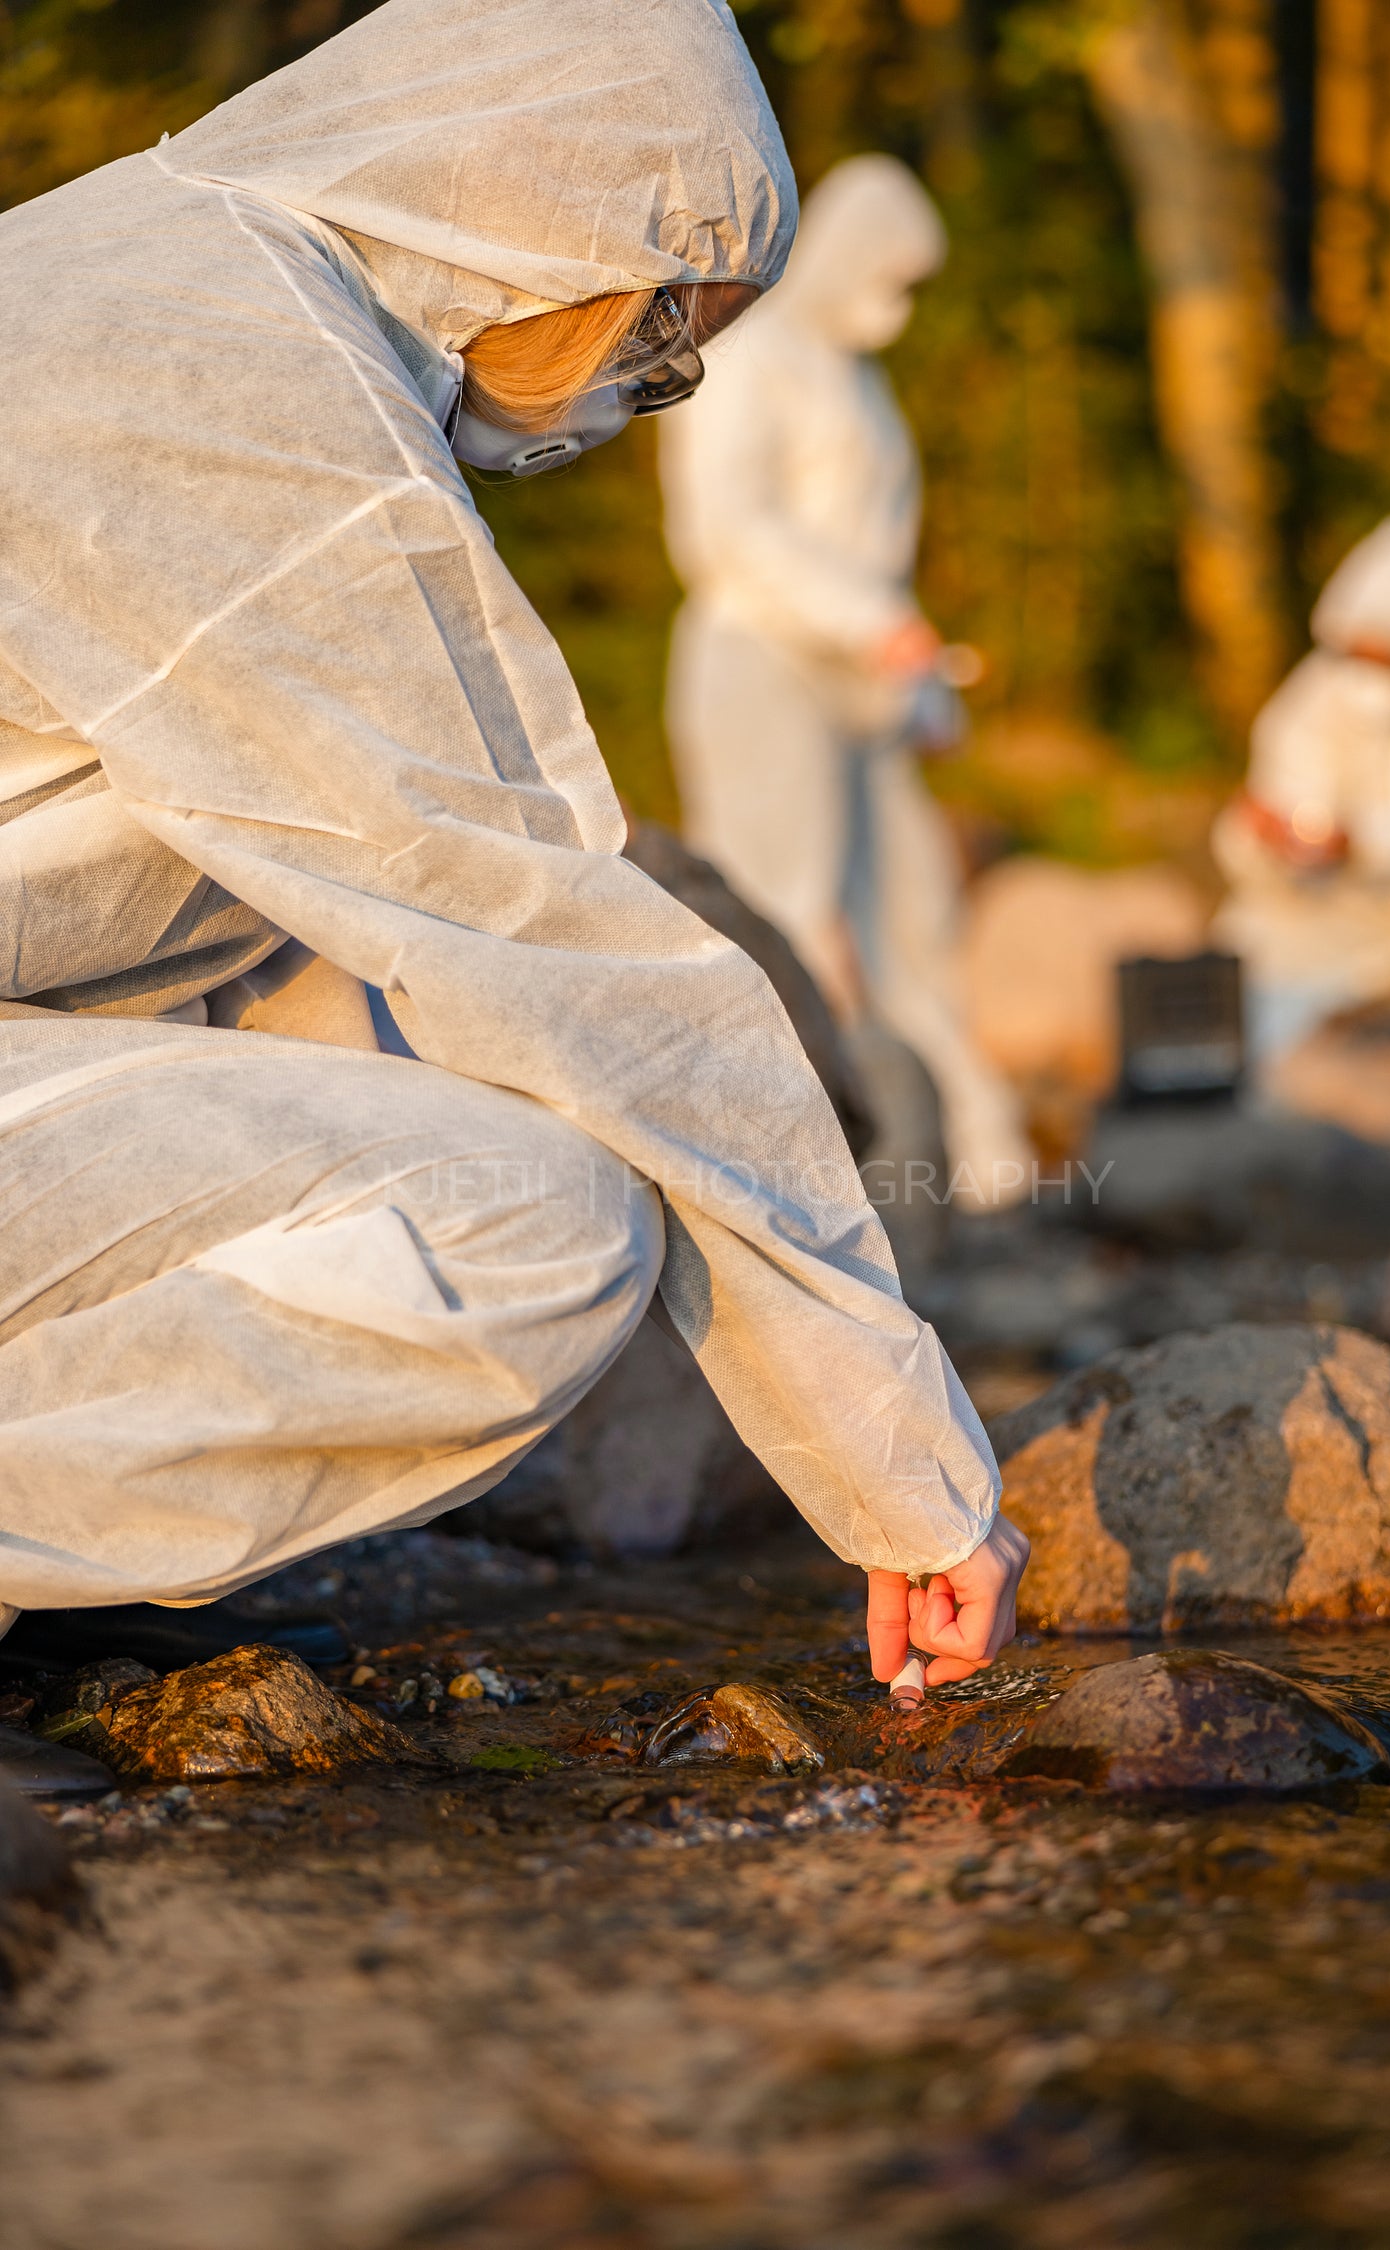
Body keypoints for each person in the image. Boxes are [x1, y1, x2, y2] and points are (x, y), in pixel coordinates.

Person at [0, 0, 1027, 1730]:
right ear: (568, 213)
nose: (650, 394)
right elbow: (542, 944)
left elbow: (280, 941)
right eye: (668, 334)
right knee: (534, 1227)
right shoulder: (241, 389)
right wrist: (904, 1464)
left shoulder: (142, 274)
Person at [659, 153, 1033, 1210]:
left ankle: (964, 1160)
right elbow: (730, 530)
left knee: (912, 907)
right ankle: (783, 1168)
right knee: (786, 903)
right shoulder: (751, 358)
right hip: (762, 662)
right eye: (894, 276)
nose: (898, 305)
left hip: (861, 686)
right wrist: (872, 623)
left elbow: (880, 558)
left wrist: (917, 681)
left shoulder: (859, 382)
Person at [1215, 511, 1390, 1073]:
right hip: (1370, 908)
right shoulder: (1318, 694)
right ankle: (1243, 1105)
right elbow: (1278, 807)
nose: (1374, 678)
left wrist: (1368, 840)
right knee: (1246, 940)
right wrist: (1267, 844)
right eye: (1364, 656)